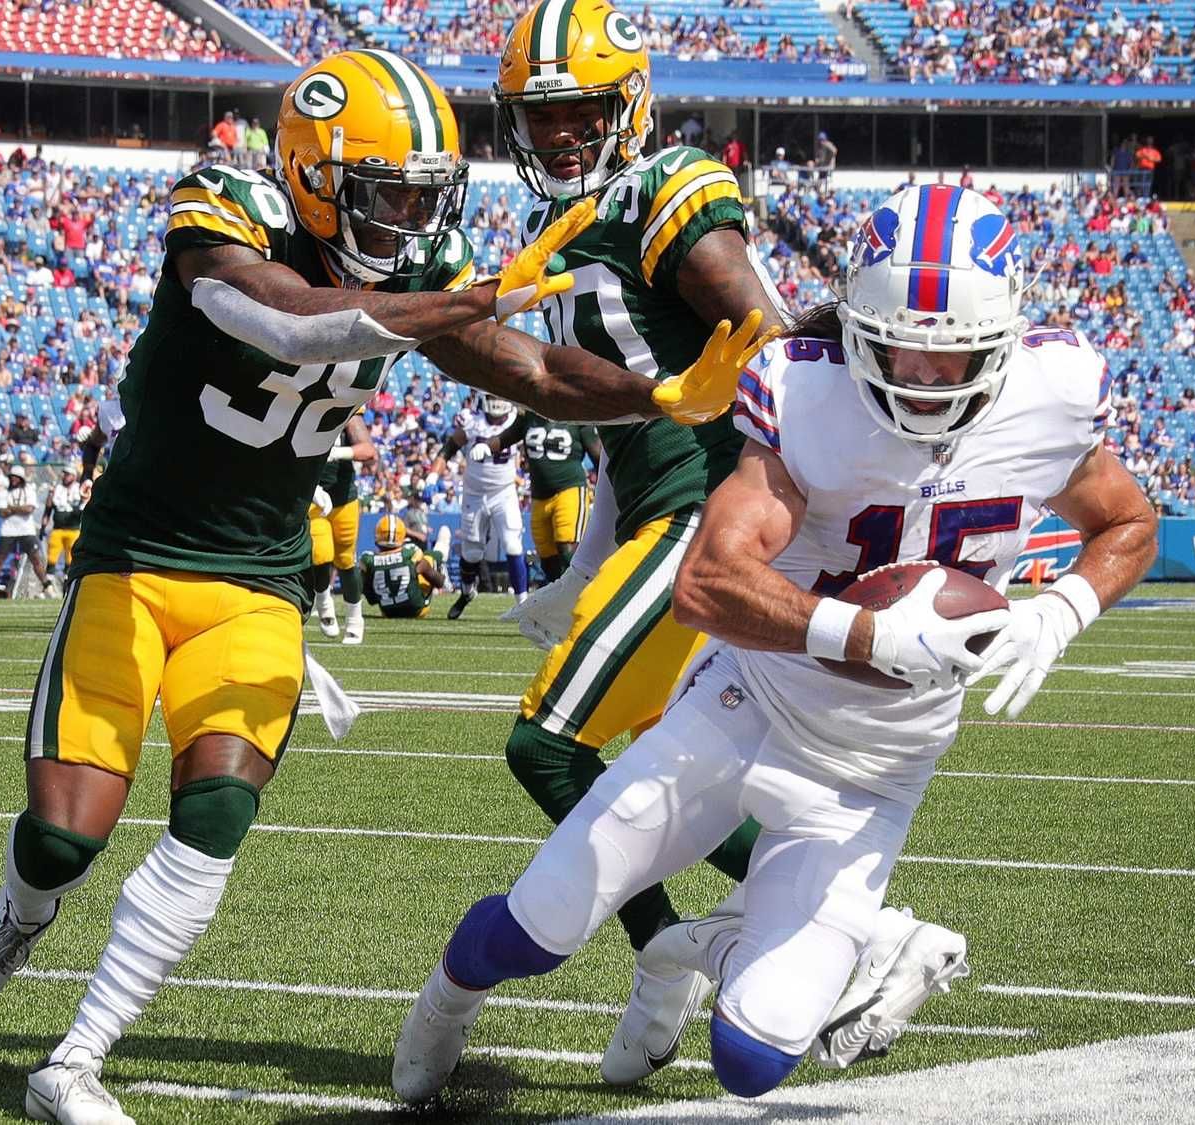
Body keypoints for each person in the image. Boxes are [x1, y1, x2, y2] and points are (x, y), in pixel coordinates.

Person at [0, 48, 758, 1125]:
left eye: (424, 194)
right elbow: (288, 320)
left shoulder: (420, 265)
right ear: (317, 178)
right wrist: (460, 301)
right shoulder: (229, 210)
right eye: (387, 192)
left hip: (261, 577)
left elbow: (532, 369)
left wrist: (659, 395)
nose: (409, 217)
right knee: (63, 838)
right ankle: (22, 908)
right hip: (135, 560)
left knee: (216, 811)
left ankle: (76, 1062)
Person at [394, 186, 1160, 1104]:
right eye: (901, 346)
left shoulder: (1051, 395)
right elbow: (706, 581)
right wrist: (867, 633)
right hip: (744, 710)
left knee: (751, 1061)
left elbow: (1127, 520)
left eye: (952, 349)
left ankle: (689, 946)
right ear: (858, 327)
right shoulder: (808, 393)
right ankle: (445, 1000)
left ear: (1001, 339)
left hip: (877, 775)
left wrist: (1062, 608)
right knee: (540, 926)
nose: (925, 374)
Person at [483, 0, 818, 1085]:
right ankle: (828, 921)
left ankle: (677, 951)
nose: (561, 132)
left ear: (627, 104)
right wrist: (580, 571)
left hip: (704, 513)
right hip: (657, 508)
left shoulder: (662, 186)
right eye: (542, 115)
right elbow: (614, 432)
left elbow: (766, 339)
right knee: (664, 769)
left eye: (581, 110)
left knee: (547, 745)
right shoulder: (564, 227)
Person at [442, 395, 526, 616]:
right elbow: (450, 446)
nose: (497, 400)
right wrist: (433, 473)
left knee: (513, 545)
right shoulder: (472, 420)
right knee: (471, 553)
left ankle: (523, 604)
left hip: (504, 491)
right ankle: (467, 593)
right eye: (492, 395)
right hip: (474, 494)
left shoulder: (516, 419)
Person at [497, 408, 601, 582]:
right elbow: (506, 438)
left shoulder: (576, 413)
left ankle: (581, 590)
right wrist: (484, 445)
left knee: (567, 547)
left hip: (569, 489)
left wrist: (607, 488)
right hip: (539, 495)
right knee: (547, 557)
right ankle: (558, 593)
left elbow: (597, 455)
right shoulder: (528, 415)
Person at [309, 417, 375, 642]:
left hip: (344, 497)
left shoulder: (349, 414)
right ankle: (324, 603)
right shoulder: (301, 410)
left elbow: (368, 450)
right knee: (320, 554)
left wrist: (337, 452)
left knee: (346, 560)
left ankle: (355, 619)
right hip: (314, 495)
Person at [360, 514, 451, 619]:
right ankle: (441, 555)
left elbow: (371, 598)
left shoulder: (368, 560)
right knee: (428, 559)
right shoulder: (410, 553)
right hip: (417, 610)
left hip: (388, 613)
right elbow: (438, 582)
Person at [0, 465, 50, 599]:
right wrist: (19, 509)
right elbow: (1, 512)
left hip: (26, 529)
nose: (13, 479)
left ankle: (47, 586)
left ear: (21, 479)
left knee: (35, 559)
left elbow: (29, 509)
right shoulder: (4, 491)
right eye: (11, 477)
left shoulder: (28, 490)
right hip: (8, 530)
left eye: (16, 477)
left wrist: (11, 508)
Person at [45, 463, 85, 586]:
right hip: (58, 528)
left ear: (74, 476)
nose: (64, 476)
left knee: (70, 559)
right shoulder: (57, 489)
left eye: (67, 474)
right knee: (51, 557)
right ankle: (48, 585)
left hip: (73, 529)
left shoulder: (80, 488)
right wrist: (43, 525)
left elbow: (86, 505)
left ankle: (67, 585)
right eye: (64, 474)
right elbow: (48, 508)